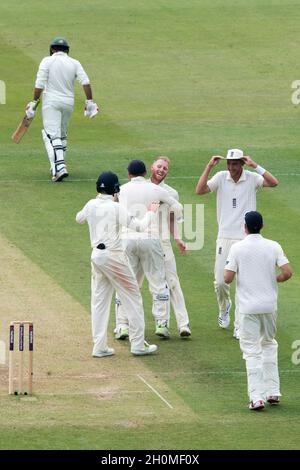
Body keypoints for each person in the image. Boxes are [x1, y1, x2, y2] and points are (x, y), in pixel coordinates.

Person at [195, 148, 278, 339]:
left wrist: (255, 165)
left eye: (235, 163)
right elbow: (199, 190)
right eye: (229, 163)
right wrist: (209, 166)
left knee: (245, 283)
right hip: (225, 236)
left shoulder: (251, 178)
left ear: (242, 163)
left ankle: (239, 325)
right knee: (221, 282)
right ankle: (224, 308)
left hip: (246, 238)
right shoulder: (220, 176)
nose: (231, 167)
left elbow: (274, 183)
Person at [76, 171, 158, 357]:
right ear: (114, 189)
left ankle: (99, 347)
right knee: (133, 297)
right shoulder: (116, 208)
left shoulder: (91, 205)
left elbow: (78, 218)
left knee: (99, 302)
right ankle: (137, 345)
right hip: (113, 257)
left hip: (97, 257)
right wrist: (151, 213)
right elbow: (139, 227)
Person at [224, 211, 292, 410]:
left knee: (252, 352)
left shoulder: (237, 248)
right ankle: (273, 392)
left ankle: (257, 398)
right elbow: (287, 272)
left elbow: (227, 278)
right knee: (269, 344)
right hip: (269, 306)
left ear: (245, 227)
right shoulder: (273, 246)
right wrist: (274, 280)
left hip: (247, 308)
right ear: (261, 226)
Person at [115, 159, 184, 340]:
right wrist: (163, 206)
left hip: (127, 239)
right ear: (146, 173)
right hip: (150, 239)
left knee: (126, 282)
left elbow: (113, 207)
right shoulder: (155, 189)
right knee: (158, 282)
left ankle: (122, 325)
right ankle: (161, 324)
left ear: (129, 174)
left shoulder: (121, 189)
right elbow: (177, 207)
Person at [25, 36, 99, 182]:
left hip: (51, 102)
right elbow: (86, 82)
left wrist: (34, 101)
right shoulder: (74, 62)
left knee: (52, 135)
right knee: (62, 135)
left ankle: (60, 167)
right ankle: (56, 167)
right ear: (67, 50)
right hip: (68, 103)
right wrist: (89, 101)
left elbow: (39, 83)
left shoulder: (47, 60)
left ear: (52, 49)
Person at [150, 156, 191, 337]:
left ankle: (183, 324)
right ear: (152, 167)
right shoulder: (142, 188)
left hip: (163, 242)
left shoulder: (171, 193)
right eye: (159, 166)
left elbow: (172, 219)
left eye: (165, 168)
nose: (161, 170)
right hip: (143, 242)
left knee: (172, 282)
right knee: (141, 283)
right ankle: (125, 324)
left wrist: (178, 239)